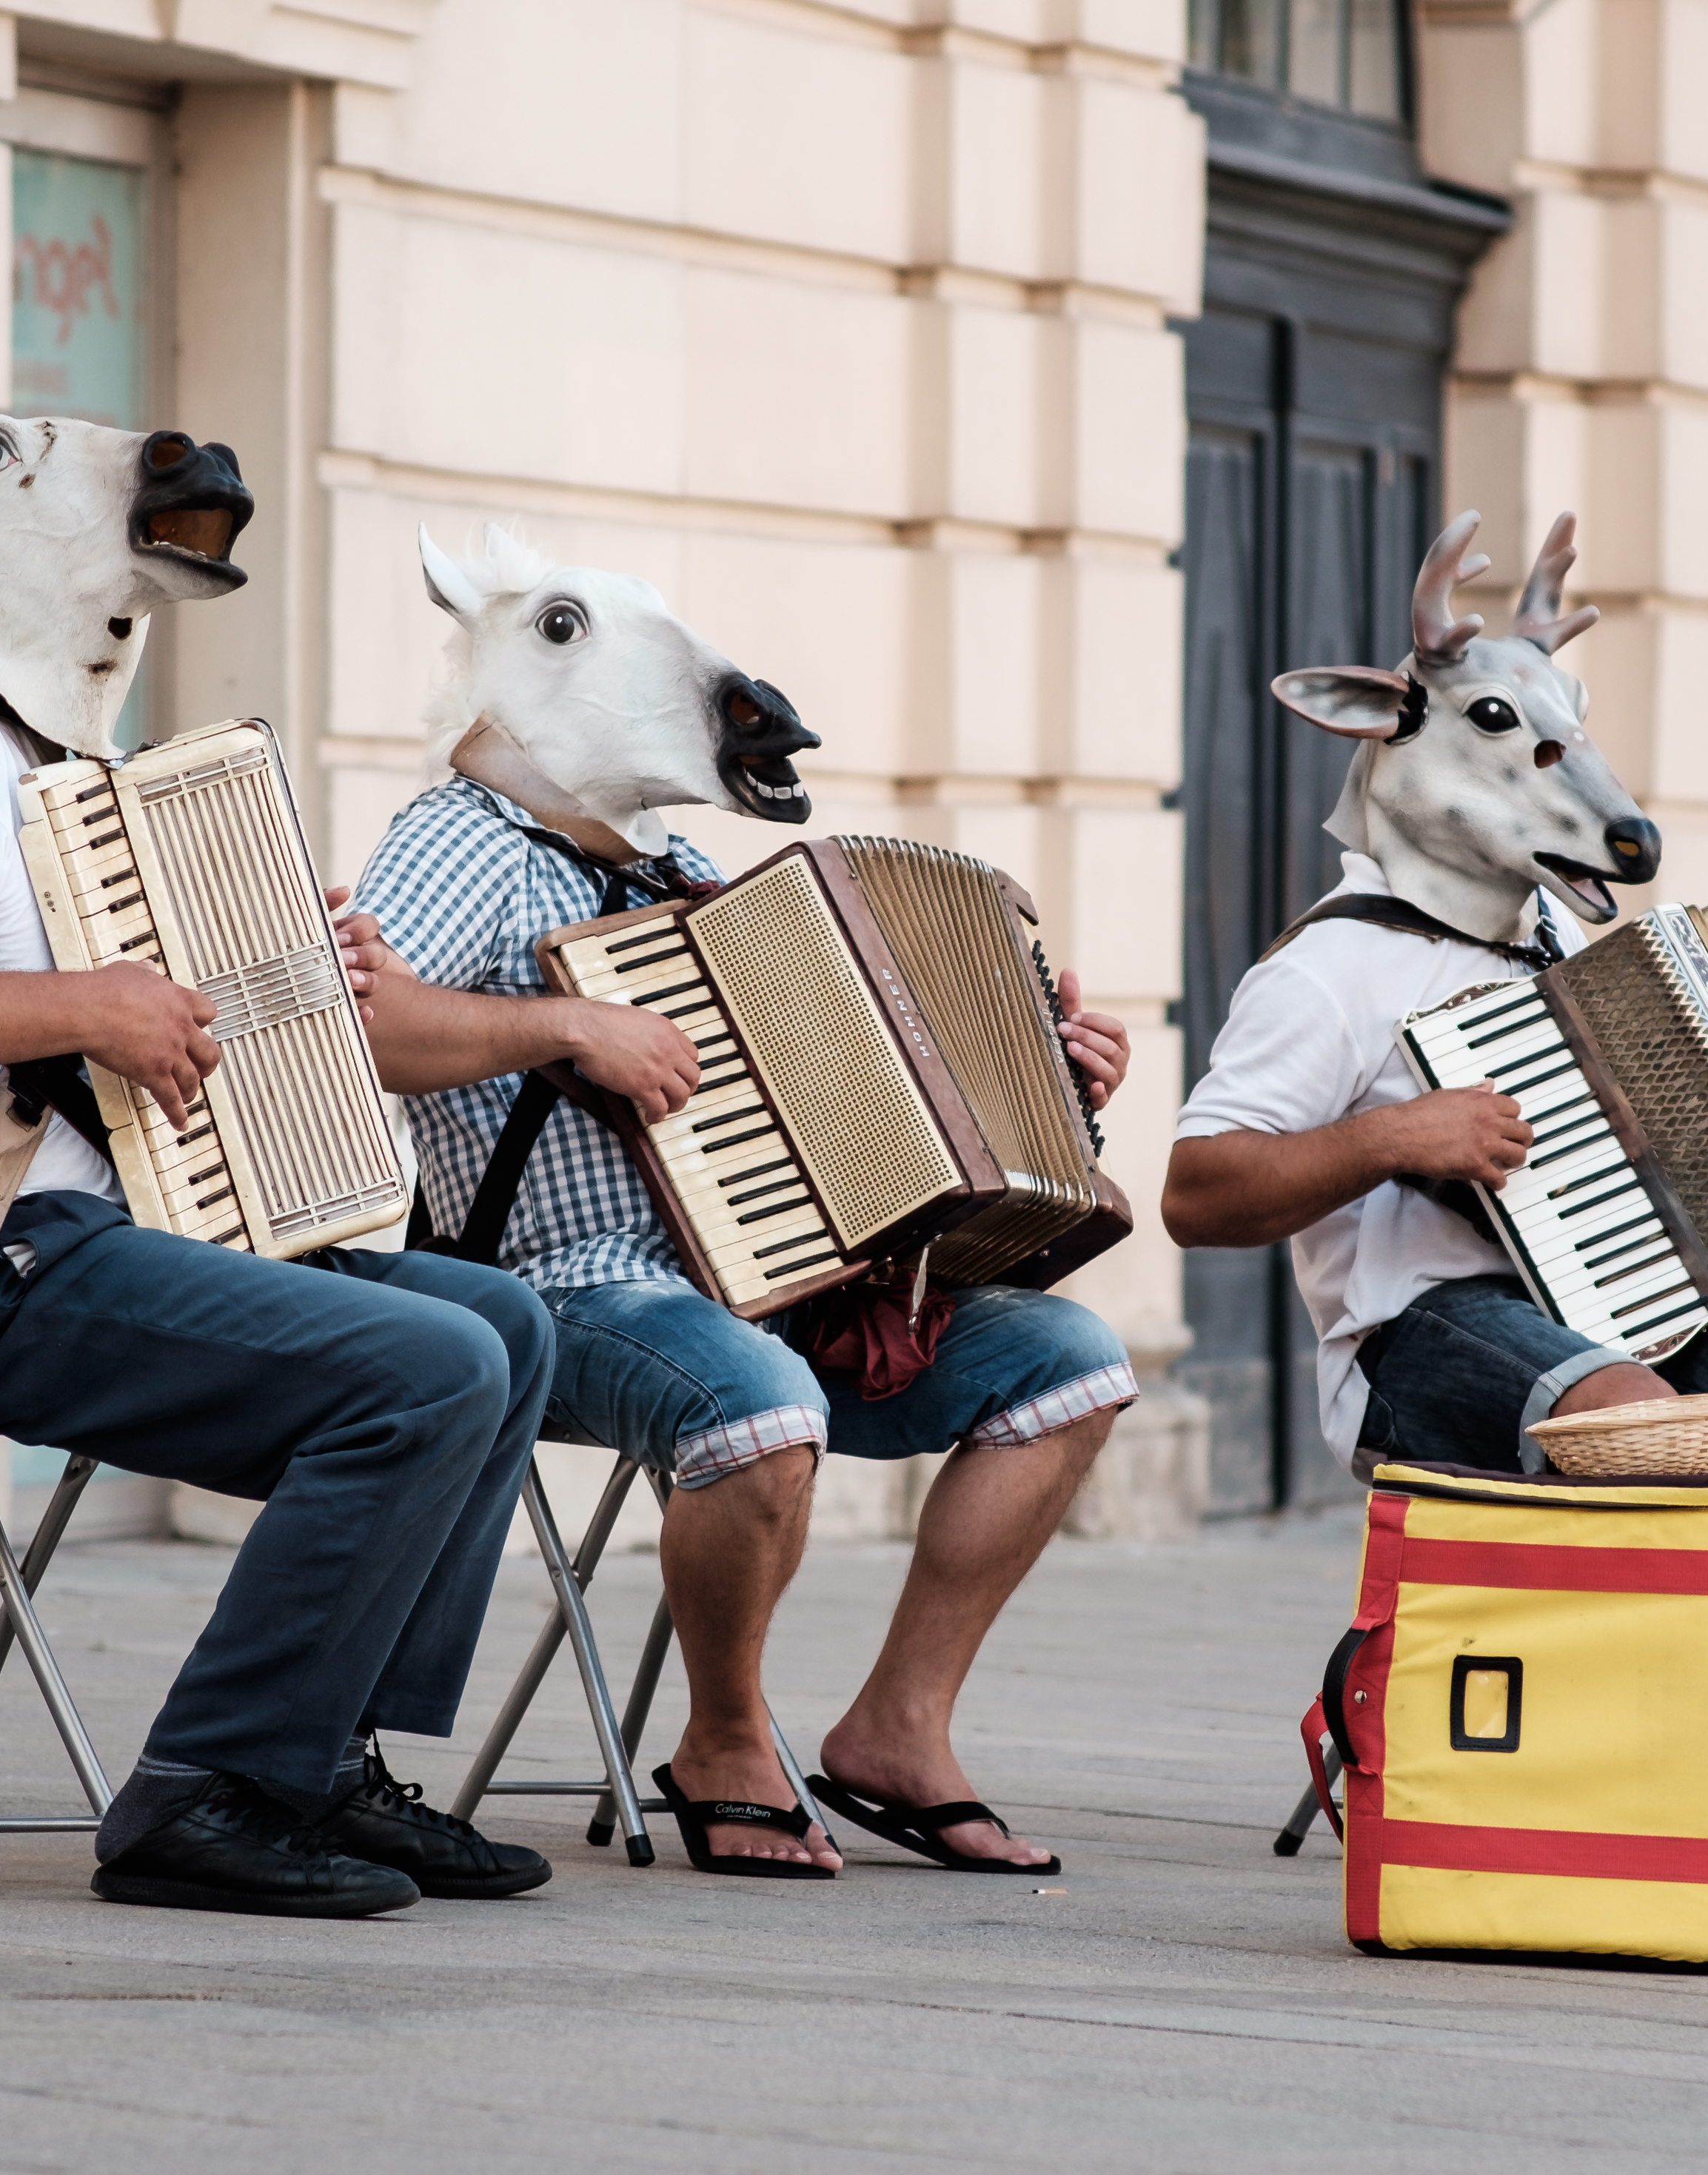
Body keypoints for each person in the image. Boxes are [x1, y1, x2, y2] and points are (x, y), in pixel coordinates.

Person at [0, 636, 560, 1920]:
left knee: (497, 1321)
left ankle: (325, 1758)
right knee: (432, 1364)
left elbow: (133, 1023)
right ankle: (205, 1787)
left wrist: (299, 976)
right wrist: (88, 1004)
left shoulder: (47, 749)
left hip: (101, 1227)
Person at [348, 775, 1138, 1877]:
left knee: (1076, 1362)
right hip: (559, 1292)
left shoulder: (692, 870)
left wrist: (1058, 1083)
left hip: (782, 1287)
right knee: (759, 1399)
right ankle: (723, 1741)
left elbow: (847, 1104)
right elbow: (355, 1020)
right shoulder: (462, 834)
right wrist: (568, 1024)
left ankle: (897, 1730)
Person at [1159, 849, 1708, 1901]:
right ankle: (1702, 1781)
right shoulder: (1330, 963)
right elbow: (1195, 1195)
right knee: (1642, 1427)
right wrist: (1395, 1136)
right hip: (1415, 1328)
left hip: (1623, 1308)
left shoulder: (1560, 944)